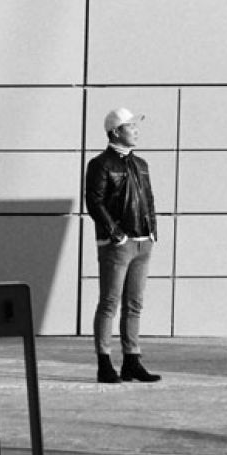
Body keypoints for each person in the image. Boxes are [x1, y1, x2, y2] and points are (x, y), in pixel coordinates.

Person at [84, 107, 162, 385]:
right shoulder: (100, 164)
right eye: (131, 126)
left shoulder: (141, 164)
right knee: (109, 302)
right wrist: (116, 234)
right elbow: (94, 202)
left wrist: (152, 232)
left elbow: (148, 200)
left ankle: (132, 360)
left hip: (143, 242)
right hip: (117, 244)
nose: (136, 131)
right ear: (116, 132)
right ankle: (104, 364)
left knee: (134, 304)